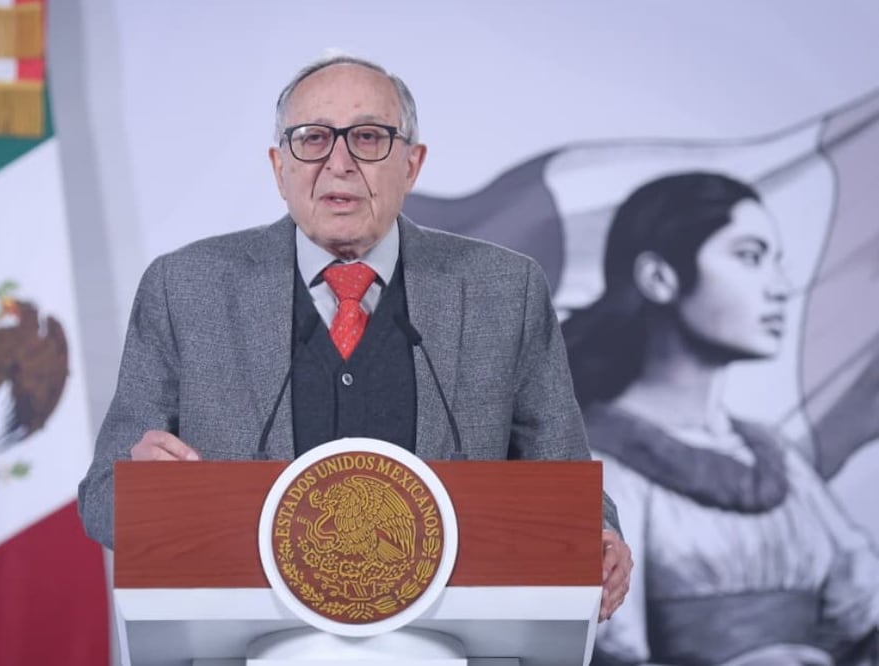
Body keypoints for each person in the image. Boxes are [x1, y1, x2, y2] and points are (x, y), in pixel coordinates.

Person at [78, 54, 633, 622]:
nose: (338, 163)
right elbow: (101, 496)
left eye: (367, 138)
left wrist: (600, 537)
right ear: (279, 168)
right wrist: (142, 491)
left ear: (412, 165)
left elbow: (564, 481)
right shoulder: (185, 289)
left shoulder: (503, 290)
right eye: (312, 139)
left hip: (448, 646)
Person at [563, 172, 879, 665]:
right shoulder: (595, 464)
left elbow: (863, 615)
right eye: (750, 257)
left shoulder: (775, 459)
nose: (780, 287)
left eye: (777, 261)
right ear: (659, 278)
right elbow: (600, 651)